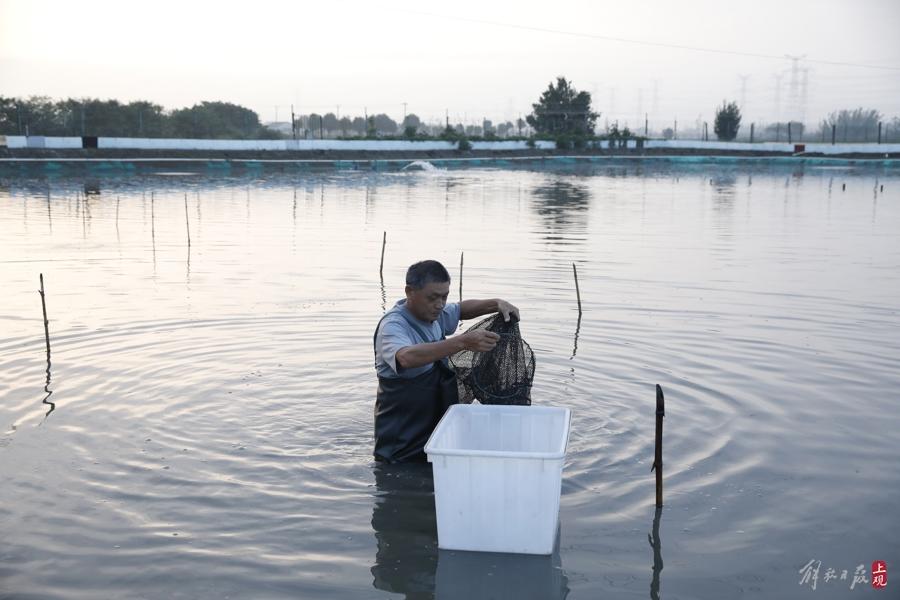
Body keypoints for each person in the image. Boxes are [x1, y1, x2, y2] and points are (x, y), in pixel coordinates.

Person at [373, 259, 519, 463]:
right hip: (401, 439)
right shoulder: (394, 325)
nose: (440, 305)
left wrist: (496, 303)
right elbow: (406, 357)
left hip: (434, 429)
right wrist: (462, 342)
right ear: (409, 292)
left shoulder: (435, 314)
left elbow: (461, 309)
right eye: (433, 298)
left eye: (444, 296)